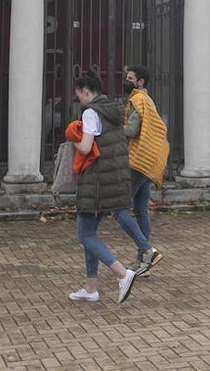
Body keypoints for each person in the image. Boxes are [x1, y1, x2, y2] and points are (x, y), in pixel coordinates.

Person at [67, 73, 140, 305]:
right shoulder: (113, 109)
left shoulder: (91, 112)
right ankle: (90, 287)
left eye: (78, 94)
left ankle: (122, 273)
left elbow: (86, 147)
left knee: (84, 235)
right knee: (90, 235)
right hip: (113, 180)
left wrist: (71, 138)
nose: (78, 98)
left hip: (96, 182)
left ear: (86, 91)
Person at [122, 64, 169, 276]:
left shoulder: (137, 100)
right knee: (141, 209)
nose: (126, 80)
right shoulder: (148, 100)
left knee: (119, 207)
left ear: (140, 82)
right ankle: (143, 264)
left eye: (130, 77)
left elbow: (132, 129)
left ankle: (147, 251)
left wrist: (111, 128)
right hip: (150, 160)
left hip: (138, 161)